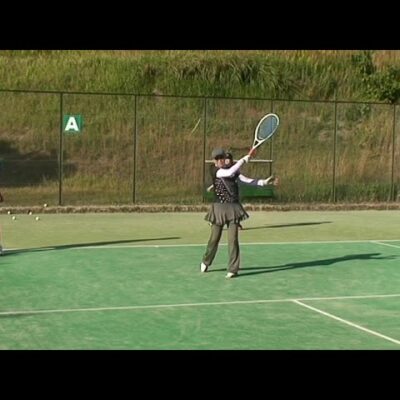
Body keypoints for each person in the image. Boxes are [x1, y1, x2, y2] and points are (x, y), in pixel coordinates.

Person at [200, 148, 273, 278]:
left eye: (222, 158)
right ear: (214, 161)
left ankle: (233, 269)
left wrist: (263, 182)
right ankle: (206, 261)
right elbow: (228, 172)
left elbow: (247, 180)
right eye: (218, 159)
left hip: (233, 209)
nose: (221, 160)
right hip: (218, 209)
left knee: (233, 240)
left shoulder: (234, 172)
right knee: (214, 239)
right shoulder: (215, 170)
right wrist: (244, 159)